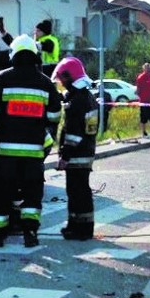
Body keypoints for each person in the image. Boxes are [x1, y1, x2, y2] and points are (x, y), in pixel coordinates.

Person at [0, 34, 62, 248]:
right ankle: (30, 233)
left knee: (2, 193)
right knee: (32, 195)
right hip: (34, 153)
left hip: (5, 153)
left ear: (14, 54)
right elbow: (55, 117)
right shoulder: (45, 83)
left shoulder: (2, 79)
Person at [53, 56, 99, 240]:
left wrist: (65, 155)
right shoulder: (87, 97)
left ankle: (79, 229)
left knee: (76, 192)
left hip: (77, 155)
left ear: (69, 77)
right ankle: (81, 226)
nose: (62, 84)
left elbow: (73, 132)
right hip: (86, 152)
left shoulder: (77, 101)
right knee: (81, 191)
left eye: (62, 80)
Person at [135, 62, 150, 137]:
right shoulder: (140, 77)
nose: (148, 69)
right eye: (146, 67)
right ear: (143, 68)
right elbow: (138, 90)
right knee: (143, 118)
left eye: (149, 67)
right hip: (144, 102)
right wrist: (140, 97)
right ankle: (144, 132)